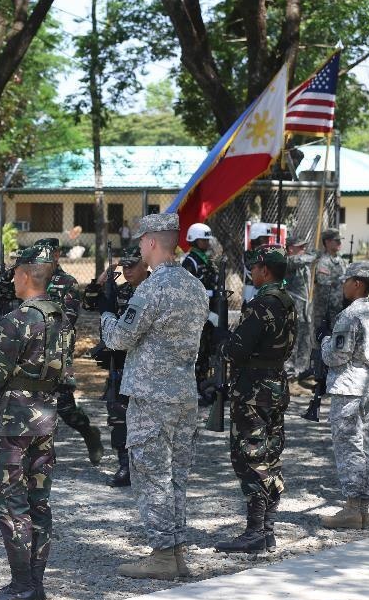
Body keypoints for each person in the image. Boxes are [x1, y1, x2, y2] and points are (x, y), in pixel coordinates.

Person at [101, 212, 208, 580]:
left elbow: (119, 338)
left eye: (141, 243)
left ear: (150, 242)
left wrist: (105, 313)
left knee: (151, 475)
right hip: (183, 394)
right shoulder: (194, 285)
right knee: (177, 475)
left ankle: (162, 555)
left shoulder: (152, 288)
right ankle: (176, 551)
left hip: (150, 397)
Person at [0, 245, 68, 600]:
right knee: (39, 502)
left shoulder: (16, 320)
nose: (12, 278)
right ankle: (35, 584)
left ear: (27, 275)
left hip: (12, 420)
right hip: (45, 418)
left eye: (16, 273)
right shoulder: (59, 317)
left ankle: (22, 587)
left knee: (11, 505)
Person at [214, 245, 296, 554]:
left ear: (265, 269)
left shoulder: (262, 303)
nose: (252, 271)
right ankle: (267, 529)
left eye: (256, 266)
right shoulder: (287, 301)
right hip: (274, 386)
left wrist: (222, 341)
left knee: (250, 459)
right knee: (270, 456)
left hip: (253, 390)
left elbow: (238, 349)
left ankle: (255, 531)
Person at [318, 261, 369, 529]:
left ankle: (352, 507)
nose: (342, 285)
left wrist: (324, 341)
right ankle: (363, 508)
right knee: (366, 443)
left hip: (349, 387)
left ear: (357, 283)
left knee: (349, 445)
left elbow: (336, 355)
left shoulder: (349, 315)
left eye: (346, 280)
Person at [82, 242, 150, 487]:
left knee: (148, 419)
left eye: (133, 266)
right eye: (125, 266)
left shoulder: (153, 290)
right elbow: (89, 303)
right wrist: (102, 281)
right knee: (118, 415)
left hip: (147, 364)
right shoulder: (119, 292)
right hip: (120, 363)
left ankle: (147, 466)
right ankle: (125, 465)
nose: (128, 271)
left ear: (145, 264)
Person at [33, 237, 104, 465]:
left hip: (59, 352)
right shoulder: (32, 280)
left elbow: (68, 319)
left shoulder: (67, 282)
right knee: (36, 402)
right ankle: (41, 454)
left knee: (64, 406)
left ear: (56, 255)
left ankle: (88, 432)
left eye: (47, 255)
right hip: (32, 351)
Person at [181, 222, 218, 404]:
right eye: (204, 240)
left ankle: (202, 385)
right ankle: (192, 389)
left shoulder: (207, 259)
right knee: (195, 352)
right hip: (196, 315)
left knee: (206, 353)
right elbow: (188, 290)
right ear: (194, 240)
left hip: (210, 313)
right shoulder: (190, 261)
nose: (207, 243)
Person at [285, 236, 315, 380]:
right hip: (293, 306)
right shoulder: (288, 260)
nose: (304, 249)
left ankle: (301, 370)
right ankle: (288, 369)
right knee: (293, 339)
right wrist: (314, 255)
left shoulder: (304, 263)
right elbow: (300, 260)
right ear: (291, 248)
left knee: (305, 338)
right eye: (300, 246)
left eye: (304, 246)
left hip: (305, 308)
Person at [312, 228, 348, 333]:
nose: (340, 243)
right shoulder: (323, 261)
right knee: (322, 338)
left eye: (340, 240)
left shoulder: (340, 260)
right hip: (325, 309)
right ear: (327, 242)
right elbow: (323, 281)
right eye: (337, 241)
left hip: (338, 306)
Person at [243, 222, 275, 302]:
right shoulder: (248, 254)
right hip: (252, 289)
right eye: (264, 238)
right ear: (256, 238)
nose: (267, 241)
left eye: (268, 238)